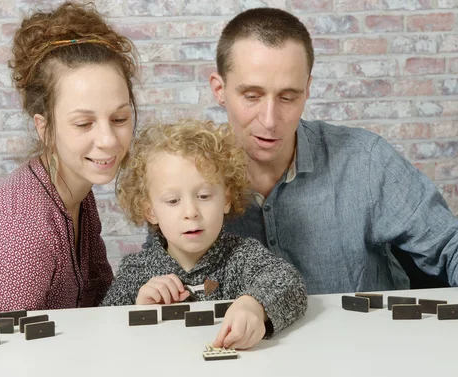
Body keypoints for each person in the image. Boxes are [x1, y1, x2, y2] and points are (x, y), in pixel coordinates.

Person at [208, 7, 458, 295]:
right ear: (220, 90)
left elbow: (453, 243)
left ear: (307, 89)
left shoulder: (364, 159)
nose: (269, 120)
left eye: (288, 97)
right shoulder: (185, 175)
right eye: (252, 96)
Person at [0, 1, 139, 316]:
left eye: (119, 119)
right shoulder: (23, 223)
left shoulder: (78, 195)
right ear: (45, 128)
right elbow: (13, 347)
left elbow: (99, 309)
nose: (107, 140)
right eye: (83, 123)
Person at [101, 120, 307, 349]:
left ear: (226, 199)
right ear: (150, 211)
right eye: (173, 201)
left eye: (204, 196)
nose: (191, 212)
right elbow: (103, 326)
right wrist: (137, 310)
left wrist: (254, 306)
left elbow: (291, 284)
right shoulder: (137, 271)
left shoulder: (241, 257)